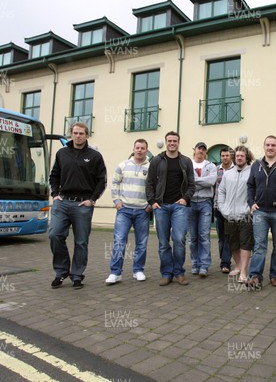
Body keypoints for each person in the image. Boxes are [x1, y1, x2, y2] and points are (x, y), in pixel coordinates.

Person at [49, 122, 107, 289]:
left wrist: (92, 199)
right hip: (63, 202)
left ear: (87, 135)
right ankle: (61, 271)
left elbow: (101, 180)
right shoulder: (62, 153)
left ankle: (77, 275)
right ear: (71, 134)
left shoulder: (95, 156)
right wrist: (55, 194)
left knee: (81, 242)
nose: (78, 136)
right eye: (75, 133)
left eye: (81, 133)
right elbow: (54, 176)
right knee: (54, 235)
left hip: (83, 203)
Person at [146, 131, 195, 286]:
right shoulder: (156, 161)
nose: (172, 143)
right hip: (161, 206)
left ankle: (179, 272)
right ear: (166, 142)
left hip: (178, 206)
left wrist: (185, 198)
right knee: (163, 242)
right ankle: (166, 273)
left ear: (178, 142)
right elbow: (149, 183)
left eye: (175, 141)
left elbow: (192, 185)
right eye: (169, 141)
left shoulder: (186, 161)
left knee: (179, 239)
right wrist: (152, 201)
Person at [247, 135, 276, 289]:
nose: (270, 147)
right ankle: (255, 276)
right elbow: (250, 186)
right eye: (268, 145)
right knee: (259, 245)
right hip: (260, 211)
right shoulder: (256, 165)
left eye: (273, 145)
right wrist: (251, 203)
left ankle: (275, 275)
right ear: (264, 146)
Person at [105, 139, 152, 284]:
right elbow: (114, 183)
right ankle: (115, 273)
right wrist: (117, 201)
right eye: (137, 147)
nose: (139, 150)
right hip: (124, 210)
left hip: (143, 211)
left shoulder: (151, 167)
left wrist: (150, 204)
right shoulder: (123, 165)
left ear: (146, 150)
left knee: (141, 243)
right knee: (119, 241)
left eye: (142, 148)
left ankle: (138, 270)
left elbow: (155, 186)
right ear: (133, 148)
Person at [217, 145, 254, 283]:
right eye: (237, 156)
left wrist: (250, 209)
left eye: (242, 156)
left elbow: (255, 192)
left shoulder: (252, 172)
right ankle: (238, 266)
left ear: (246, 157)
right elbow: (221, 191)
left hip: (245, 215)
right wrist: (222, 208)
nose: (239, 158)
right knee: (233, 244)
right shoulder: (228, 174)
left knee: (245, 244)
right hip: (229, 216)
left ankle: (244, 272)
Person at [189, 142, 217, 277]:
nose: (201, 151)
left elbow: (211, 182)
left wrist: (193, 182)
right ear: (194, 150)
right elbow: (185, 182)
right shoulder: (187, 165)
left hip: (205, 203)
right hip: (190, 203)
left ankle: (204, 266)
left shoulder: (211, 166)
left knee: (204, 235)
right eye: (199, 148)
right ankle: (195, 264)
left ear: (206, 152)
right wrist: (201, 182)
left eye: (203, 149)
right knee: (193, 237)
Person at [215, 147, 235, 273]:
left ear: (231, 156)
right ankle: (224, 259)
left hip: (231, 208)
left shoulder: (236, 169)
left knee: (228, 236)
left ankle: (225, 263)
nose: (225, 157)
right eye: (223, 155)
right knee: (221, 237)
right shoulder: (216, 170)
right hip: (217, 207)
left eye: (227, 155)